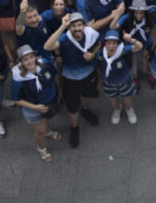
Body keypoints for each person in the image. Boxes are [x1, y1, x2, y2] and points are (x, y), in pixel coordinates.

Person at [44, 11, 101, 147]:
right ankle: (74, 128)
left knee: (87, 95)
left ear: (83, 25)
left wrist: (92, 54)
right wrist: (62, 27)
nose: (76, 28)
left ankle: (85, 110)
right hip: (70, 78)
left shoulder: (90, 33)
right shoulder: (64, 38)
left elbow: (99, 44)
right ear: (69, 28)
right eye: (73, 26)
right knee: (72, 106)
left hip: (89, 74)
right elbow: (47, 46)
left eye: (79, 25)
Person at [9, 45, 62, 161]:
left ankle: (48, 132)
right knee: (40, 130)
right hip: (33, 108)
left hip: (48, 102)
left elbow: (54, 76)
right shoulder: (18, 78)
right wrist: (36, 108)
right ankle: (41, 148)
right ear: (21, 62)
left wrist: (59, 91)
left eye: (31, 57)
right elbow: (16, 99)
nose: (29, 61)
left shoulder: (45, 64)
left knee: (46, 121)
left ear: (35, 57)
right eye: (25, 59)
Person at [96, 29, 144, 124]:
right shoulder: (101, 54)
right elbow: (98, 68)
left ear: (118, 43)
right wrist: (99, 81)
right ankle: (117, 110)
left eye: (114, 43)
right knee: (113, 101)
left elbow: (139, 47)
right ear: (105, 43)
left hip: (124, 81)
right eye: (108, 43)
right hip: (108, 83)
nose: (111, 46)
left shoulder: (123, 50)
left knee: (127, 100)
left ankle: (129, 110)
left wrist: (131, 40)